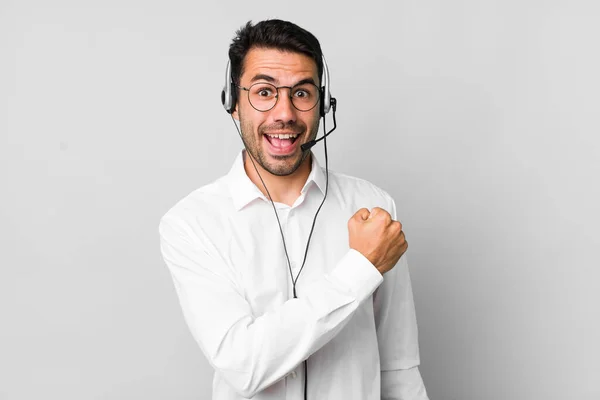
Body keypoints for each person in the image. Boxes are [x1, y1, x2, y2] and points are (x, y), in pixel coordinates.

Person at [159, 19, 429, 400]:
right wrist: (360, 269)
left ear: (323, 103)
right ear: (233, 103)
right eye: (265, 92)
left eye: (301, 93)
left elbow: (398, 368)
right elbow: (243, 365)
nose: (284, 113)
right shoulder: (192, 223)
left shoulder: (374, 208)